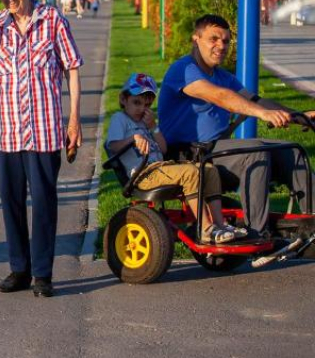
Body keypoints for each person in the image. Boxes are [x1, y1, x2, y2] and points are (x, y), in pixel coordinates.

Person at [0, 0, 83, 298]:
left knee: (43, 202)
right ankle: (19, 269)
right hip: (5, 130)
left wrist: (74, 120)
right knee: (11, 202)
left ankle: (43, 274)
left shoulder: (52, 19)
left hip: (43, 130)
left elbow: (71, 66)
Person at [158, 14, 315, 234]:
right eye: (213, 39)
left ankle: (312, 226)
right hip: (188, 156)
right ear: (196, 39)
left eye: (225, 41)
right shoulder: (183, 70)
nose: (221, 46)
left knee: (292, 151)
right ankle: (257, 234)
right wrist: (262, 114)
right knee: (254, 154)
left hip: (214, 151)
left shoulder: (223, 76)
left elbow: (256, 100)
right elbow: (221, 96)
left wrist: (299, 116)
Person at [106, 73, 244, 243]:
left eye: (147, 105)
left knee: (208, 170)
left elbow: (163, 148)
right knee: (190, 172)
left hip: (160, 168)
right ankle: (206, 229)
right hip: (143, 174)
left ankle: (219, 224)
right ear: (123, 99)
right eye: (136, 102)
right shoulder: (120, 119)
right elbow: (112, 146)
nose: (141, 109)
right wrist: (133, 139)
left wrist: (154, 128)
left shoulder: (144, 123)